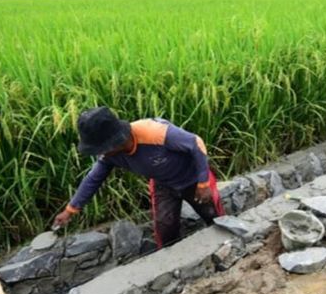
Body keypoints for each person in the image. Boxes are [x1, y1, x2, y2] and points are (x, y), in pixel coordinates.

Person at [53, 106, 224, 249]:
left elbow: (196, 143)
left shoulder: (154, 132)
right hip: (163, 185)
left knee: (213, 216)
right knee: (165, 228)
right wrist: (70, 210)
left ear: (115, 142)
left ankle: (226, 247)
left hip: (193, 179)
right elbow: (93, 179)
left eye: (101, 148)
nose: (100, 152)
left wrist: (203, 183)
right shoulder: (109, 156)